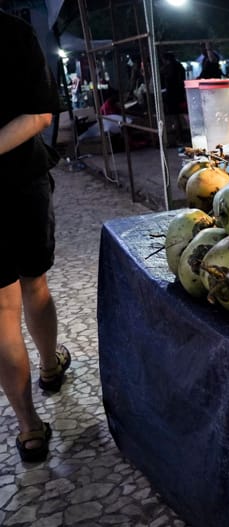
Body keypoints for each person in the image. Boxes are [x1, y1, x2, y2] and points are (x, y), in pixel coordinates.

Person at [0, 10, 70, 463]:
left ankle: (29, 430)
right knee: (34, 284)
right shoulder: (11, 32)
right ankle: (49, 367)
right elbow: (40, 113)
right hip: (21, 180)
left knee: (1, 309)